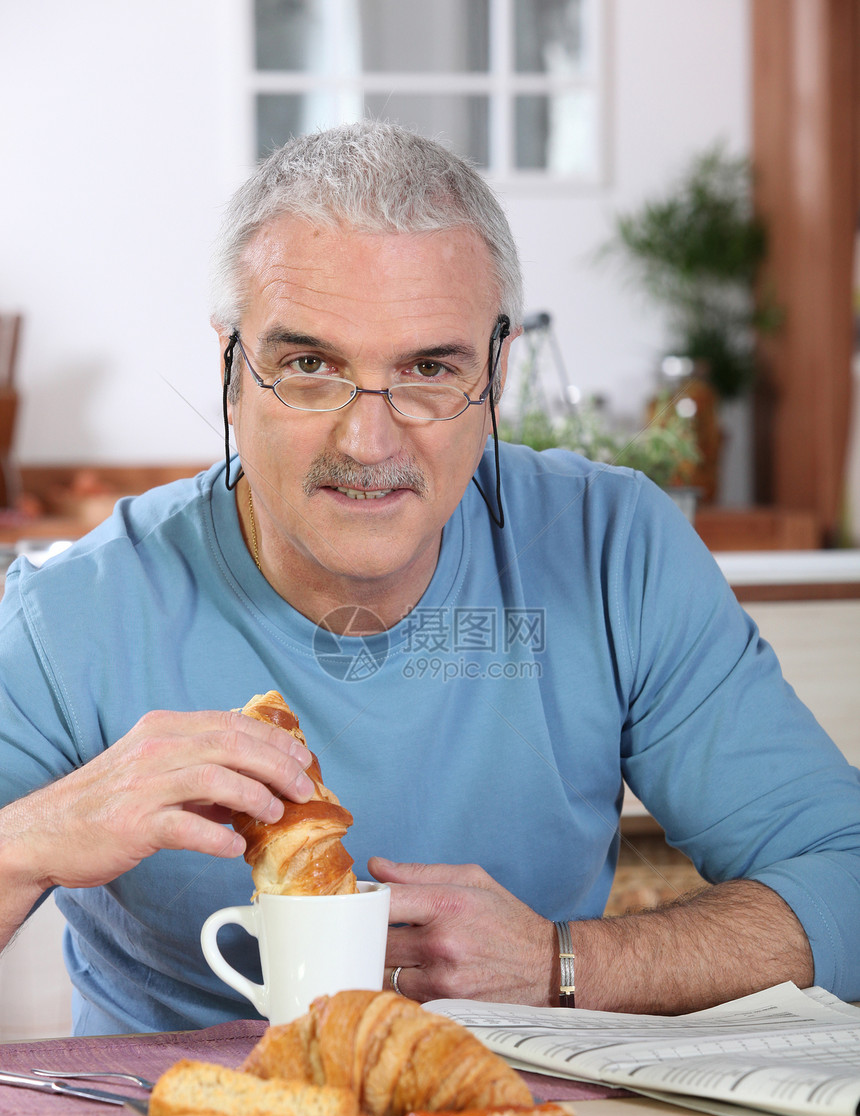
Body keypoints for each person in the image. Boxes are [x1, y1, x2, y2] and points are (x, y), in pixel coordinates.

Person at [1, 122, 858, 1037]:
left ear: (497, 369)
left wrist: (564, 965)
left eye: (429, 370)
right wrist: (32, 840)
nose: (368, 443)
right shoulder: (71, 615)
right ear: (229, 368)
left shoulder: (615, 548)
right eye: (310, 366)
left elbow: (844, 871)